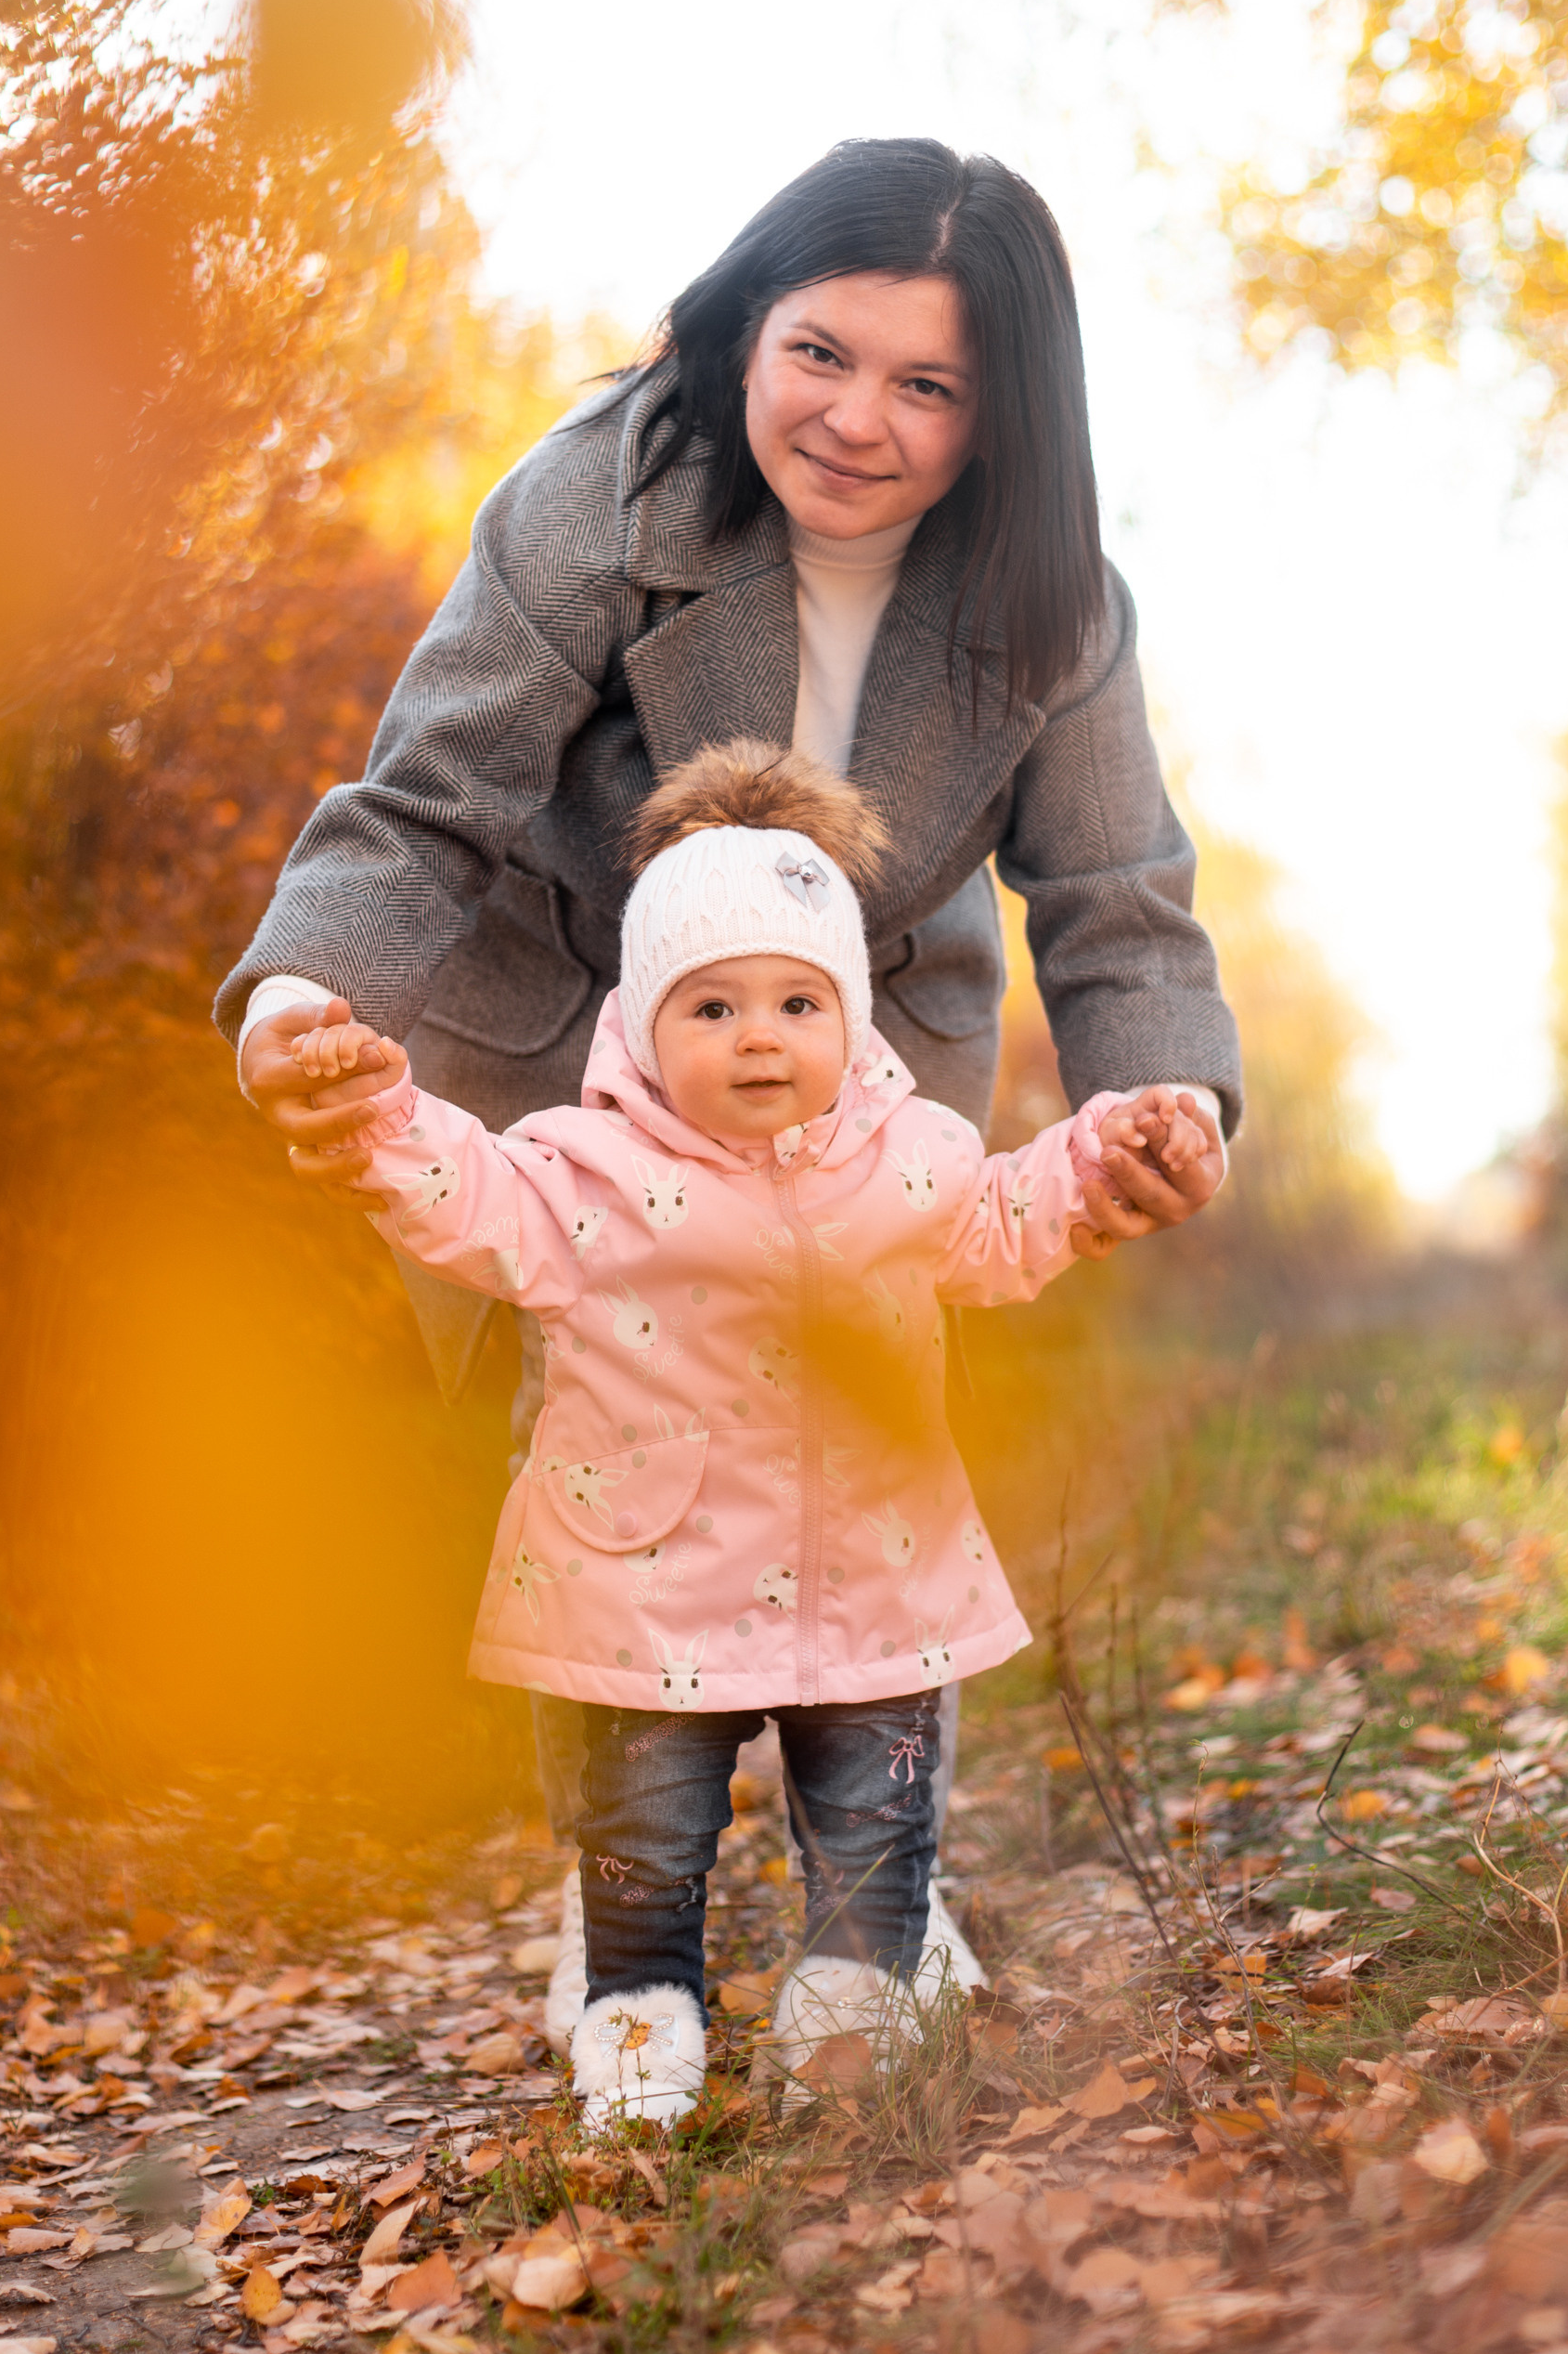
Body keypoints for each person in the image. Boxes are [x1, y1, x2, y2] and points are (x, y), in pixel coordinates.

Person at [216, 136, 1243, 2007]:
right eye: (819, 352)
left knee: (870, 1440)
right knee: (626, 1444)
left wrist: (1170, 1102)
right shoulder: (593, 501)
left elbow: (1109, 898)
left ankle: (883, 1877)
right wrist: (299, 995)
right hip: (582, 1018)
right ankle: (626, 1910)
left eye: (928, 384)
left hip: (863, 1045)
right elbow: (425, 805)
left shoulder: (1055, 604)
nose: (859, 419)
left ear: (1002, 415)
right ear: (738, 329)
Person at [286, 744, 1222, 2128]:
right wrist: (368, 1110)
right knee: (644, 1836)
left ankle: (852, 2011)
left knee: (875, 1826)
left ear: (850, 1017)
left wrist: (1111, 1150)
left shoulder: (910, 1161)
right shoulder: (582, 1173)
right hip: (644, 1589)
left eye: (797, 1001)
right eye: (710, 1007)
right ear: (639, 1029)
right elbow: (460, 1188)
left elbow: (1013, 1215)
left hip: (877, 1574)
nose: (760, 1037)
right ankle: (637, 2021)